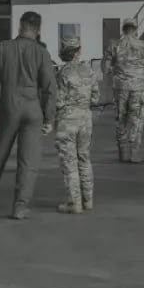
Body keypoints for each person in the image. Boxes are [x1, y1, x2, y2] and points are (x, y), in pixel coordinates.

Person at [0, 11, 57, 220]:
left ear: (19, 27)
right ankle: (20, 207)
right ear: (39, 31)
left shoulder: (4, 48)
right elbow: (50, 88)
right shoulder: (43, 53)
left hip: (9, 107)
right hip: (33, 110)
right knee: (28, 160)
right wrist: (49, 118)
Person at [54, 37, 100, 214]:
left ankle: (74, 202)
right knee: (84, 158)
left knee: (69, 162)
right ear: (78, 51)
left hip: (67, 120)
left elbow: (58, 101)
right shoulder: (89, 71)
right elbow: (95, 98)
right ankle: (88, 200)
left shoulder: (62, 74)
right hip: (85, 119)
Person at [104, 19, 144, 163]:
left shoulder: (115, 45)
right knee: (136, 119)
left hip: (120, 88)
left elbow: (106, 68)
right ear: (135, 29)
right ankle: (134, 152)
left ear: (123, 29)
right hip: (138, 88)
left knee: (121, 117)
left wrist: (117, 71)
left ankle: (122, 151)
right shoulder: (143, 46)